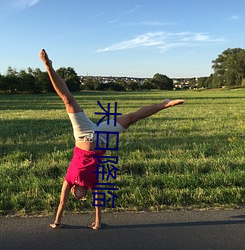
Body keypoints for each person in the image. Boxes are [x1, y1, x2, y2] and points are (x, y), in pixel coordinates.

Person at [39, 49, 185, 230]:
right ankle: (165, 104)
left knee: (68, 99)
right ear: (85, 195)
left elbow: (61, 203)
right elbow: (98, 203)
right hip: (100, 137)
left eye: (76, 195)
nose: (78, 194)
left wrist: (57, 222)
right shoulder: (93, 183)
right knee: (132, 118)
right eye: (80, 196)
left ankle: (48, 67)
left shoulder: (69, 180)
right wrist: (98, 223)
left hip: (82, 133)